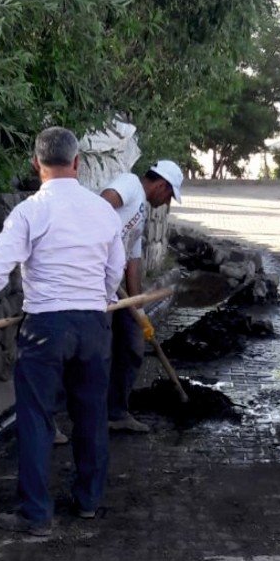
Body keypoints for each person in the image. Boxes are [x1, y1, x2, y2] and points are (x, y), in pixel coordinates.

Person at [0, 127, 125, 535]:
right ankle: (89, 501)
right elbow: (113, 271)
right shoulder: (103, 211)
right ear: (78, 163)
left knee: (37, 418)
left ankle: (36, 513)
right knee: (91, 415)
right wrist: (103, 296)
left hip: (46, 326)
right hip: (93, 325)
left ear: (35, 165)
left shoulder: (31, 211)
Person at [101, 160, 183, 433]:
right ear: (161, 185)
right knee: (91, 354)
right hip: (92, 285)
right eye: (170, 195)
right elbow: (101, 205)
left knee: (133, 345)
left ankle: (116, 412)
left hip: (117, 290)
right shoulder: (129, 184)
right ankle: (72, 418)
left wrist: (139, 310)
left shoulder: (141, 214)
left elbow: (133, 262)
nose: (167, 202)